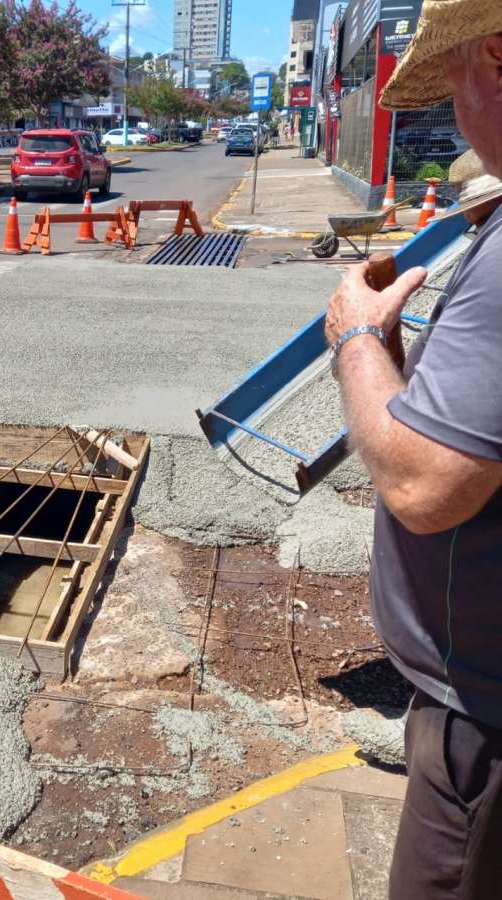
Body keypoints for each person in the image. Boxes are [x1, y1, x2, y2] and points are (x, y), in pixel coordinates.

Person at [325, 3, 502, 897]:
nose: (457, 106)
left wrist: (355, 336)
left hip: (485, 717)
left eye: (458, 74)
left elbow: (427, 485)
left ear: (496, 59)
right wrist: (396, 363)